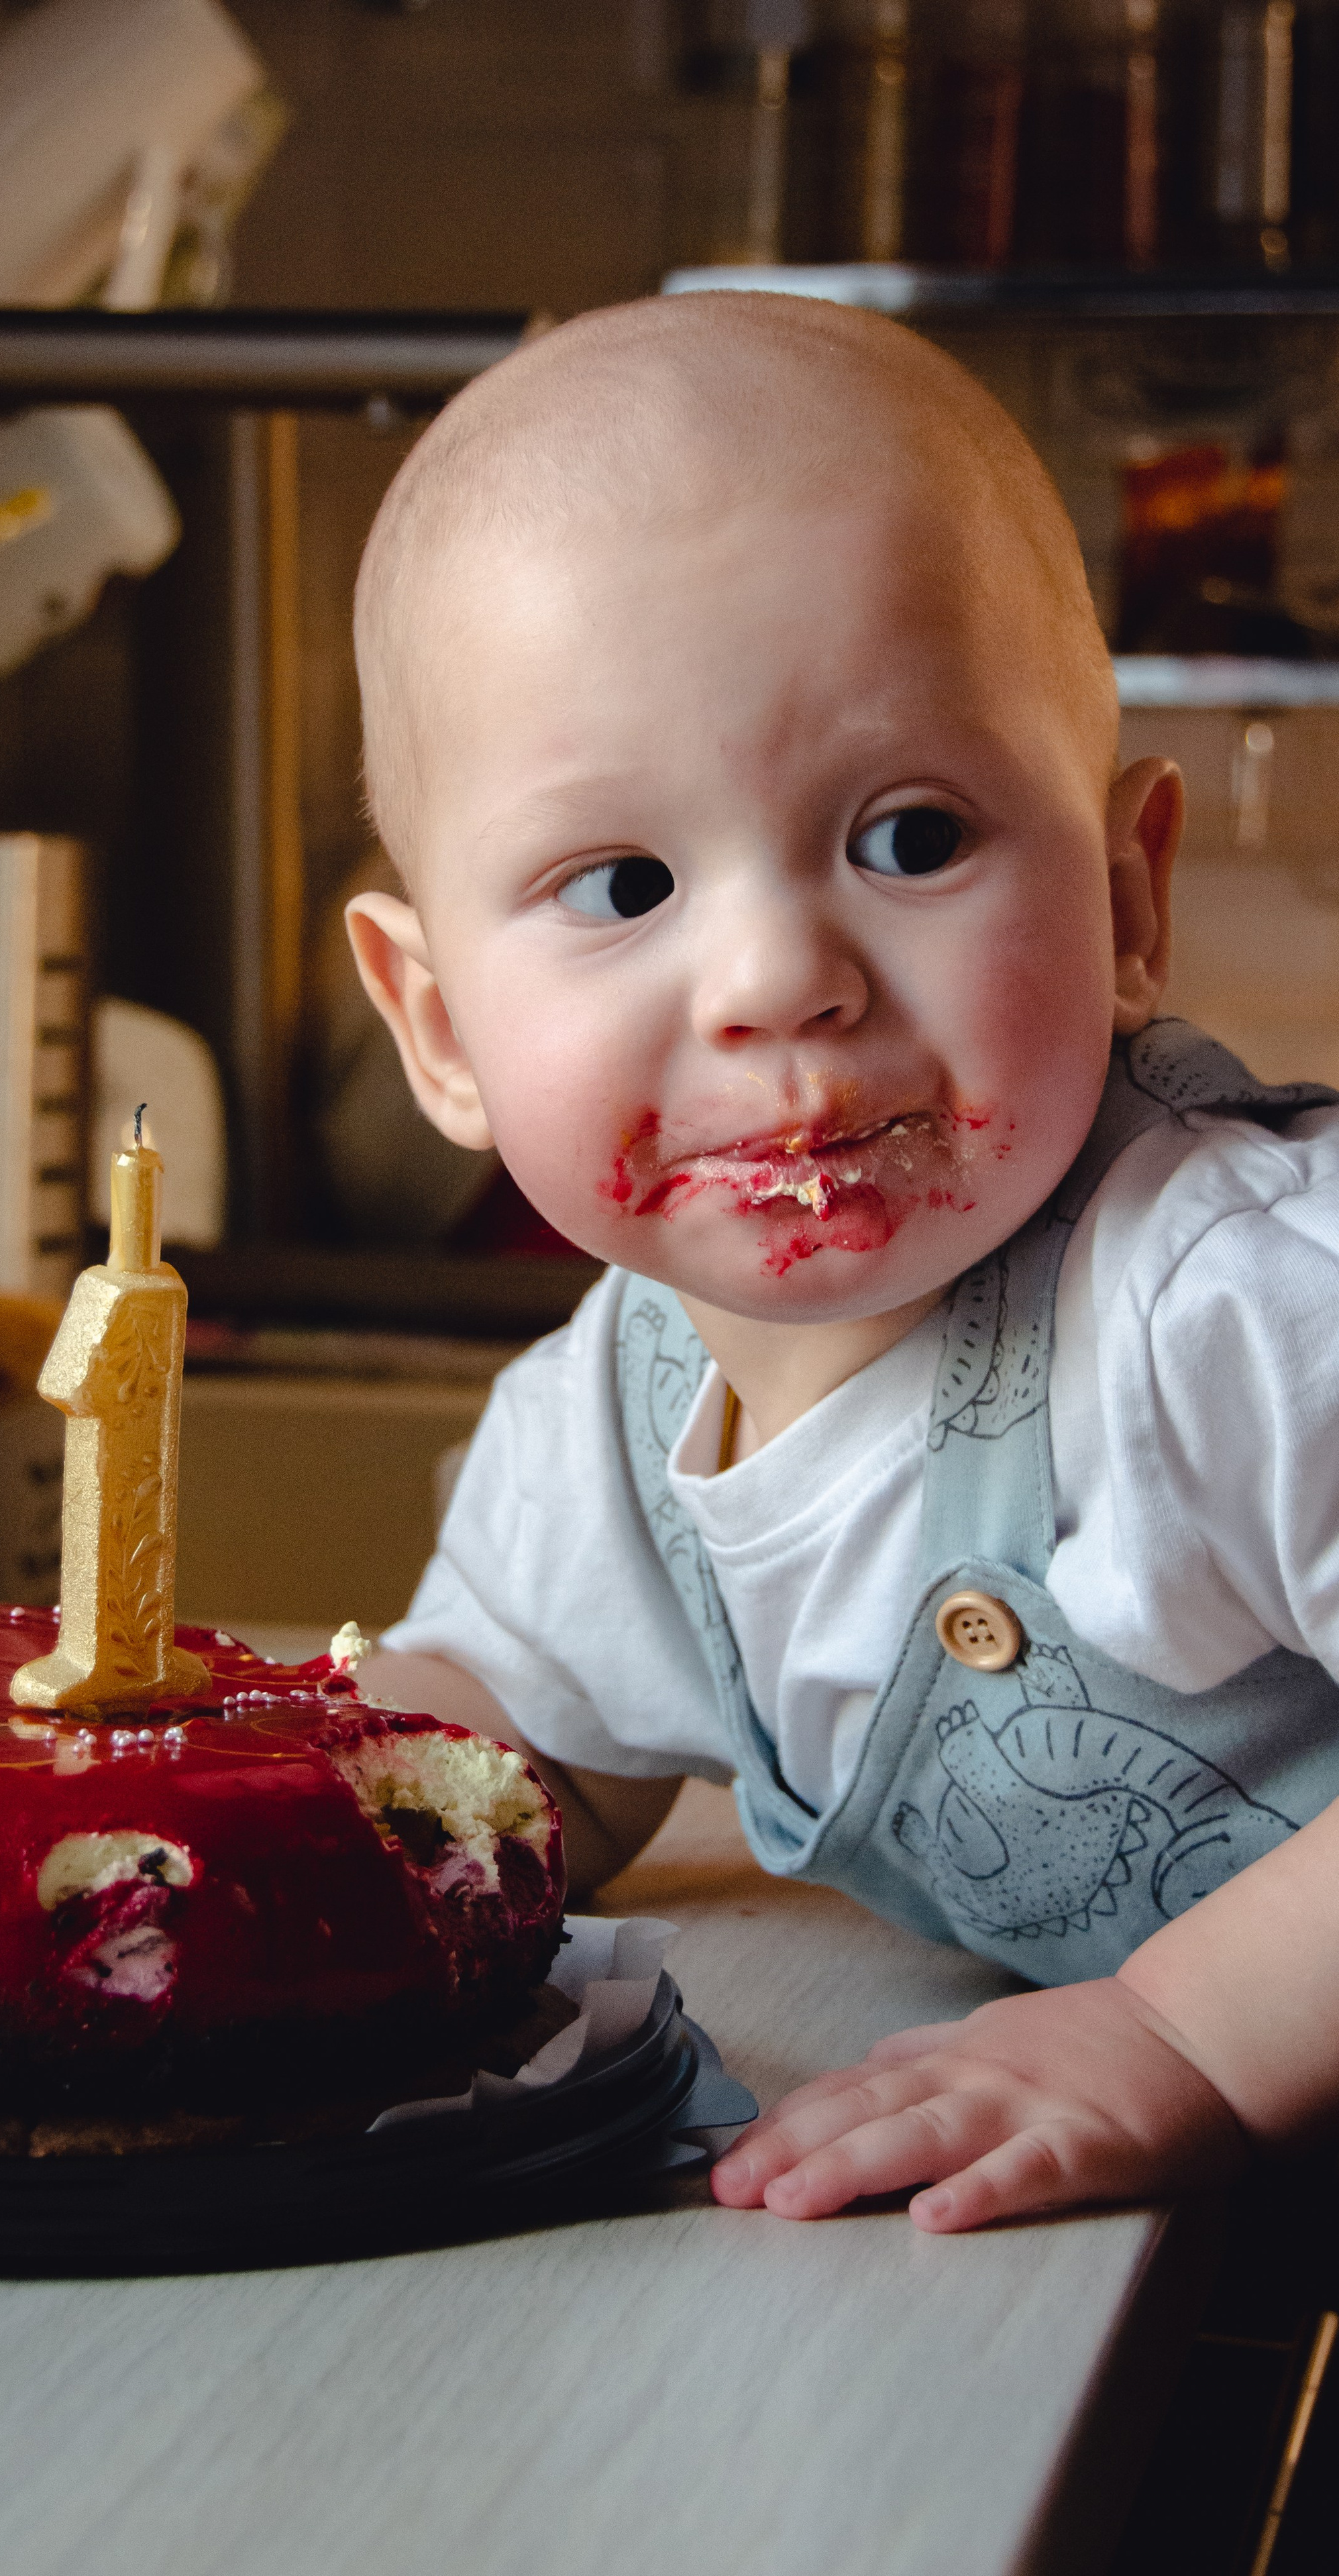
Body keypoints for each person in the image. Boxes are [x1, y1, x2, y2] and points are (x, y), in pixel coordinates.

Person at [341, 289, 1339, 2234]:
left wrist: (1182, 2037)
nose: (780, 974)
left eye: (909, 836)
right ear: (441, 1026)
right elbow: (528, 1741)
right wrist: (295, 1850)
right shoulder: (612, 1421)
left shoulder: (1227, 1302)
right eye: (621, 885)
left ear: (1130, 898)